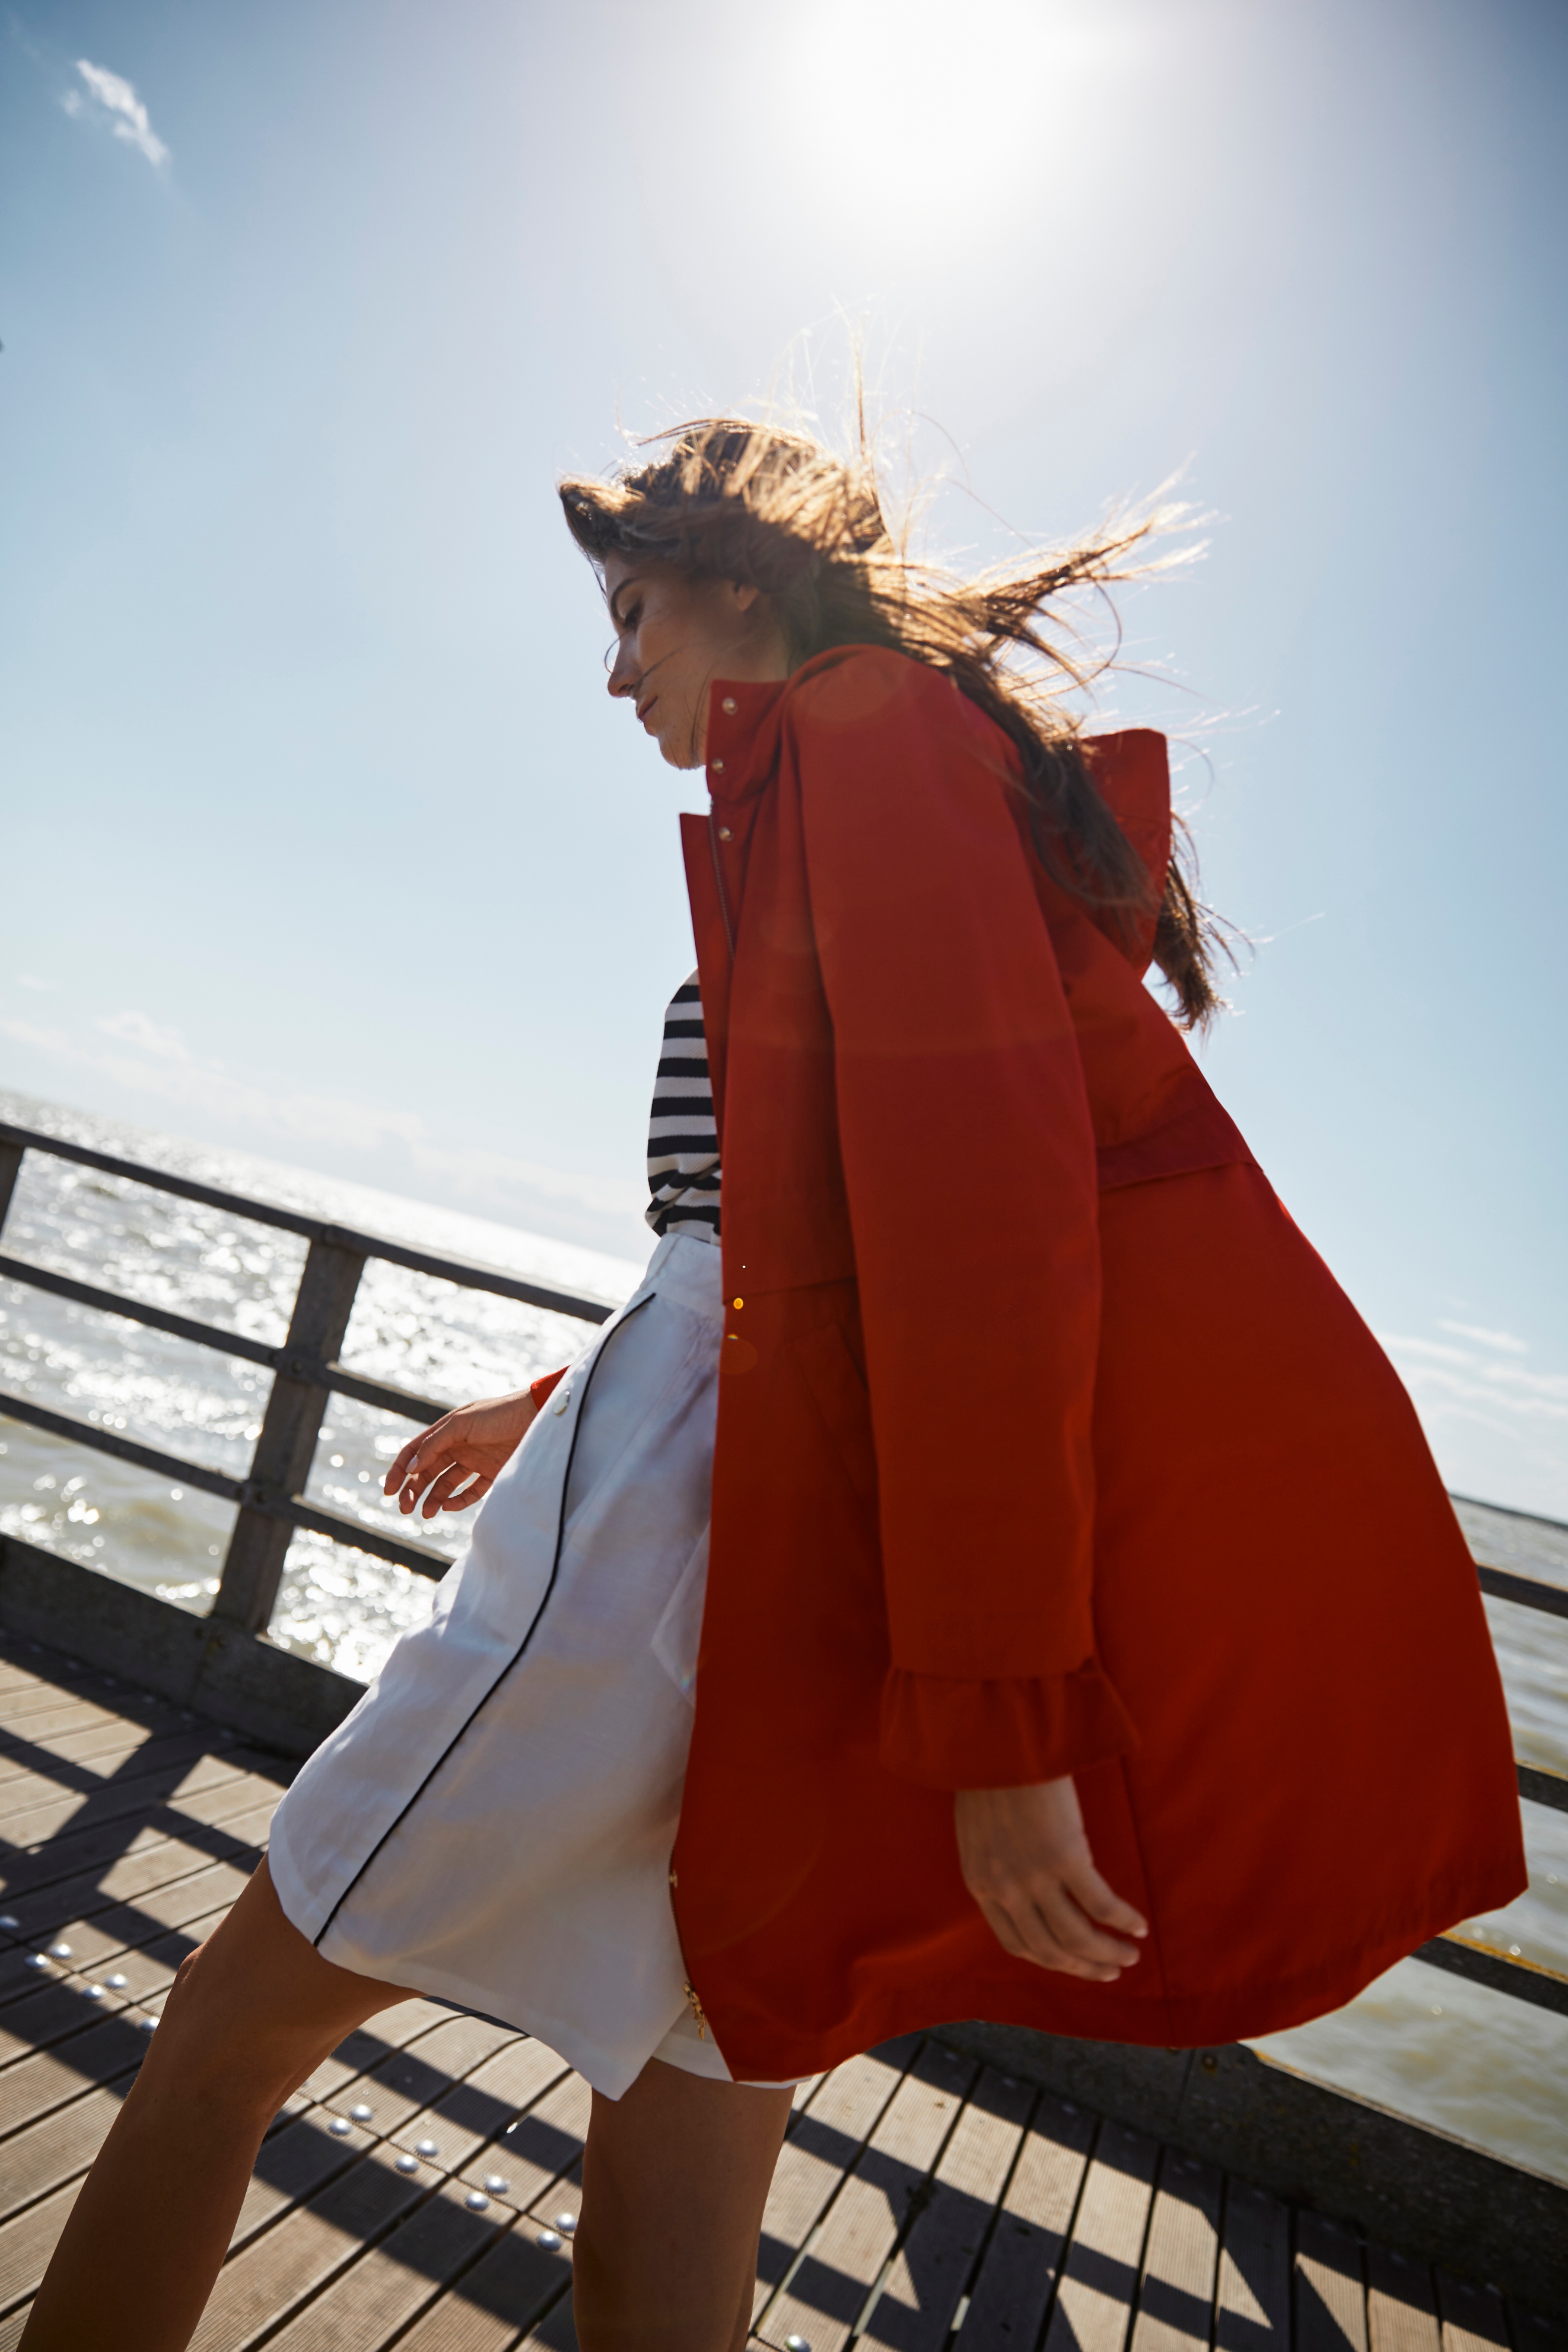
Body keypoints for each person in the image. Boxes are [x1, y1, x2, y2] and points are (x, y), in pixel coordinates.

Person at [22, 418, 1525, 2352]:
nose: (616, 670)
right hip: (783, 1563)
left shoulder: (865, 748)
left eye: (632, 613)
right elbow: (805, 1250)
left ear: (742, 579)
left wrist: (1003, 1721)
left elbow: (976, 1238)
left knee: (225, 2034)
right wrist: (551, 1396)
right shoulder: (893, 774)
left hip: (671, 1550)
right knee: (675, 2187)